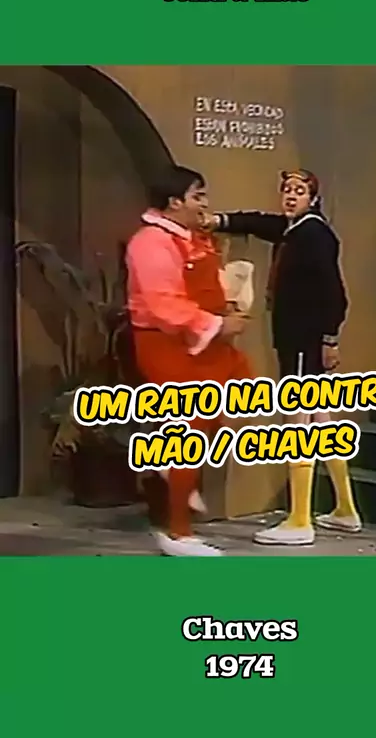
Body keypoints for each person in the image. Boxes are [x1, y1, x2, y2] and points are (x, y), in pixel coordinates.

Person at [206, 169, 362, 546]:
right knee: (321, 421)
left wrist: (329, 338)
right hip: (299, 338)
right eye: (287, 190)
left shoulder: (314, 235)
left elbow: (335, 293)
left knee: (299, 423)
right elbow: (262, 223)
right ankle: (345, 509)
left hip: (304, 340)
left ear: (313, 198)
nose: (291, 196)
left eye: (299, 191)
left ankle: (299, 519)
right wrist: (220, 221)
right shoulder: (296, 230)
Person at [125, 166, 252, 557]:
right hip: (166, 344)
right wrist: (217, 324)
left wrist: (227, 305)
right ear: (174, 202)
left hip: (202, 342)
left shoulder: (191, 237)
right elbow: (164, 304)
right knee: (191, 428)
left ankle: (168, 462)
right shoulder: (150, 243)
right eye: (198, 196)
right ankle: (178, 533)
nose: (204, 203)